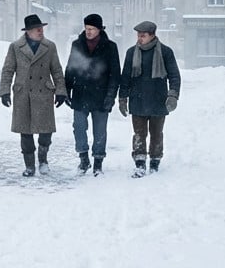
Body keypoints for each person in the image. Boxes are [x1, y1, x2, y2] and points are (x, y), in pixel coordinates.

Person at [0, 14, 67, 177]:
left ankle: (43, 160)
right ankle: (29, 165)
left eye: (42, 28)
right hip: (24, 94)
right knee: (26, 131)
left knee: (46, 131)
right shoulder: (16, 47)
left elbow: (56, 70)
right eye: (37, 29)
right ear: (28, 31)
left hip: (43, 92)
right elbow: (8, 69)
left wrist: (60, 91)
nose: (40, 31)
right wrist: (5, 91)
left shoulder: (50, 46)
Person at [116, 20, 181, 178]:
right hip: (137, 100)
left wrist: (173, 95)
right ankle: (139, 164)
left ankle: (155, 162)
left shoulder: (165, 52)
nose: (139, 38)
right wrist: (123, 98)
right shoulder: (132, 53)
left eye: (143, 35)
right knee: (139, 133)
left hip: (159, 100)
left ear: (152, 35)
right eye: (138, 35)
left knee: (157, 133)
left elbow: (174, 76)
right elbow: (125, 77)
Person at [64, 13, 120, 175]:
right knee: (79, 127)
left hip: (101, 95)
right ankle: (83, 158)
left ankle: (98, 162)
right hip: (81, 94)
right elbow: (70, 69)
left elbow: (115, 74)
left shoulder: (110, 47)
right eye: (86, 28)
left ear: (99, 29)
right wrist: (66, 91)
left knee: (100, 130)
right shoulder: (77, 45)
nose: (88, 32)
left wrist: (111, 96)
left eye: (92, 29)